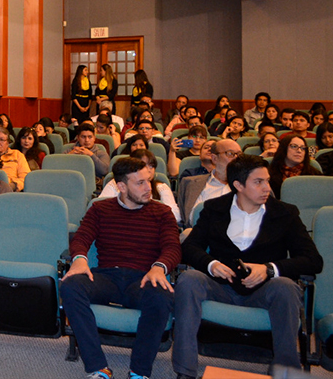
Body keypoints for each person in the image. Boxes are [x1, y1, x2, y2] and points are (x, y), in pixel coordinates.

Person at [173, 155, 323, 379]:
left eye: (267, 181)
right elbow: (189, 247)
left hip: (264, 290)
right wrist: (211, 264)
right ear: (238, 185)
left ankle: (286, 372)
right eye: (258, 182)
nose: (266, 188)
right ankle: (185, 372)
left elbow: (313, 260)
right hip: (219, 286)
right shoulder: (214, 209)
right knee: (188, 280)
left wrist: (269, 269)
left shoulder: (285, 213)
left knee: (285, 286)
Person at [60, 157, 180, 379]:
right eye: (140, 183)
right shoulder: (100, 209)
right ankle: (98, 367)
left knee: (162, 296)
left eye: (148, 182)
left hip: (143, 279)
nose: (147, 188)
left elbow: (172, 247)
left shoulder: (162, 213)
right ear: (122, 186)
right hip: (108, 277)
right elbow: (81, 238)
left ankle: (139, 372)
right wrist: (79, 259)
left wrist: (159, 267)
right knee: (70, 286)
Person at [98, 148, 180, 223]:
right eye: (143, 165)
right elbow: (102, 209)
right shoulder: (115, 184)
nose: (148, 170)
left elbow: (175, 216)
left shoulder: (161, 187)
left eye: (151, 166)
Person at [176, 139, 241, 227]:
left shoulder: (247, 187)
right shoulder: (190, 183)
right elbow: (186, 220)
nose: (236, 158)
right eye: (230, 153)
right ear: (214, 158)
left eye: (239, 154)